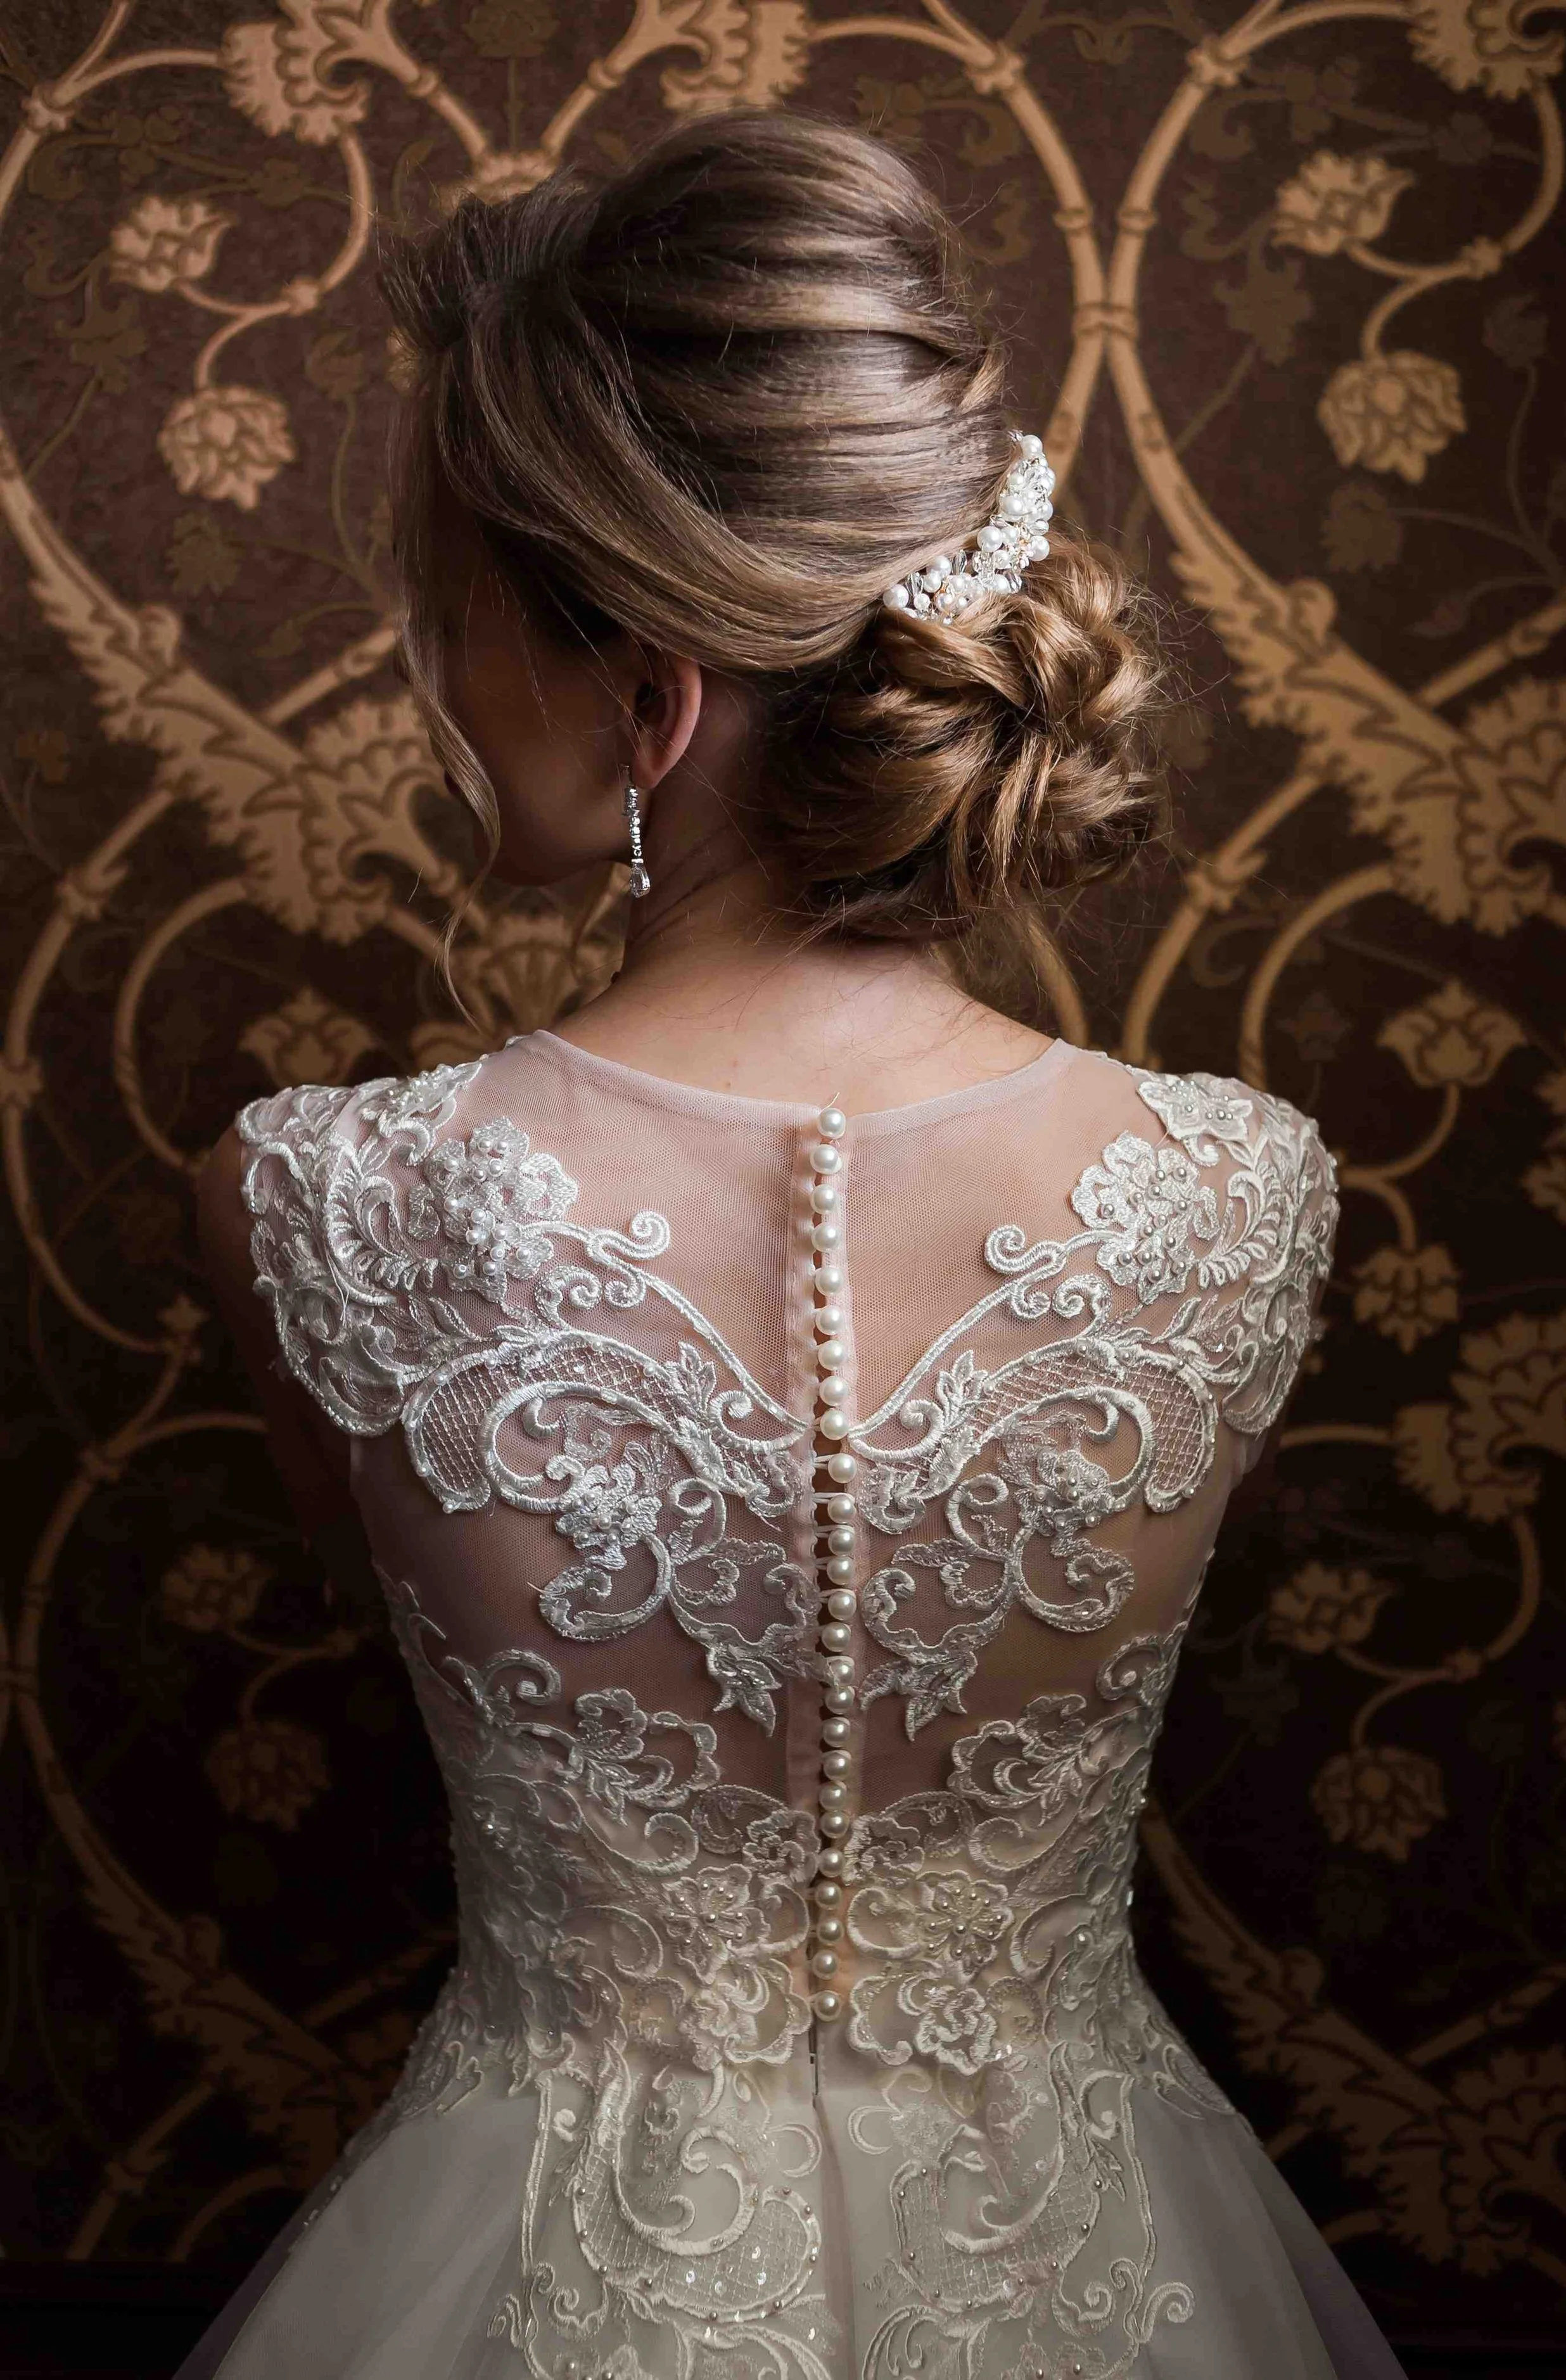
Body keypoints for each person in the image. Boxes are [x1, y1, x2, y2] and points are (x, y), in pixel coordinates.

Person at [184, 109, 1406, 2380]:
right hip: (1097, 2257)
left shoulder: (319, 1197)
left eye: (449, 604)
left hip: (526, 2256)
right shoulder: (1237, 1189)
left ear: (645, 680)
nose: (428, 681)